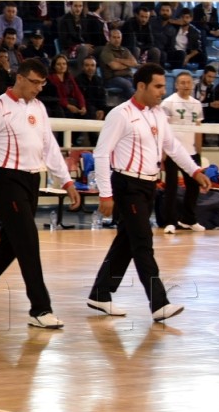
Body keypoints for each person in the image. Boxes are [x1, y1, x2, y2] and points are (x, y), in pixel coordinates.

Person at [0, 59, 80, 329]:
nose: (38, 88)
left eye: (42, 83)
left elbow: (50, 147)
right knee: (28, 242)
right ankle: (40, 308)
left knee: (12, 244)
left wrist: (67, 182)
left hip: (32, 181)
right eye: (35, 82)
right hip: (8, 182)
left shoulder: (39, 108)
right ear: (21, 78)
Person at [89, 64, 210, 322]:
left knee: (126, 242)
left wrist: (195, 171)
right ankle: (159, 303)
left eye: (163, 87)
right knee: (143, 241)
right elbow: (101, 154)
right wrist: (105, 194)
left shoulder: (158, 114)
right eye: (157, 86)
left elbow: (173, 147)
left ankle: (100, 294)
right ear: (141, 86)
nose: (161, 91)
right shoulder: (120, 114)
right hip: (127, 185)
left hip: (148, 186)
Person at [160, 71, 206, 234]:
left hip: (191, 151)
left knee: (193, 186)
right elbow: (163, 129)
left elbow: (198, 129)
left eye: (188, 82)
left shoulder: (197, 104)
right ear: (176, 85)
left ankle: (189, 219)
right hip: (173, 152)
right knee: (171, 186)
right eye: (183, 82)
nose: (186, 85)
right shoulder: (168, 102)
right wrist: (163, 152)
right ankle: (170, 222)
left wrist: (198, 151)